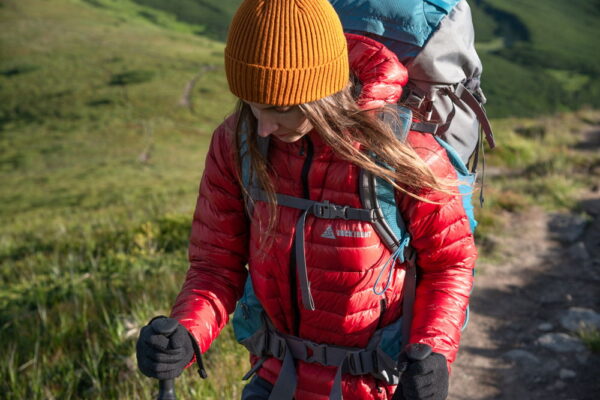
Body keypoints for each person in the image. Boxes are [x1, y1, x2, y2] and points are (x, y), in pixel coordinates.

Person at [136, 0, 477, 399]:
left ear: (320, 93)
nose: (262, 128)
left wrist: (434, 350)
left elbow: (449, 263)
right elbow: (216, 265)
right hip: (272, 378)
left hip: (375, 385)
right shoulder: (236, 143)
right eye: (251, 103)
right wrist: (186, 334)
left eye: (278, 110)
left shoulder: (406, 154)